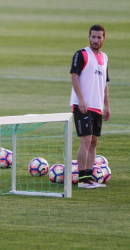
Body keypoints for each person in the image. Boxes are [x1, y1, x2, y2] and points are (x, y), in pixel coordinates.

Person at [70, 24, 111, 189]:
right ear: (89, 37)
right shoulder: (81, 54)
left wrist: (106, 105)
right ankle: (82, 179)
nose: (96, 40)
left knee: (94, 142)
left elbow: (105, 84)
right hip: (83, 106)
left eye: (99, 37)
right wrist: (80, 99)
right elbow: (74, 76)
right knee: (85, 141)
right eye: (93, 37)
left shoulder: (105, 57)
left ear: (103, 38)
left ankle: (89, 176)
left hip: (97, 107)